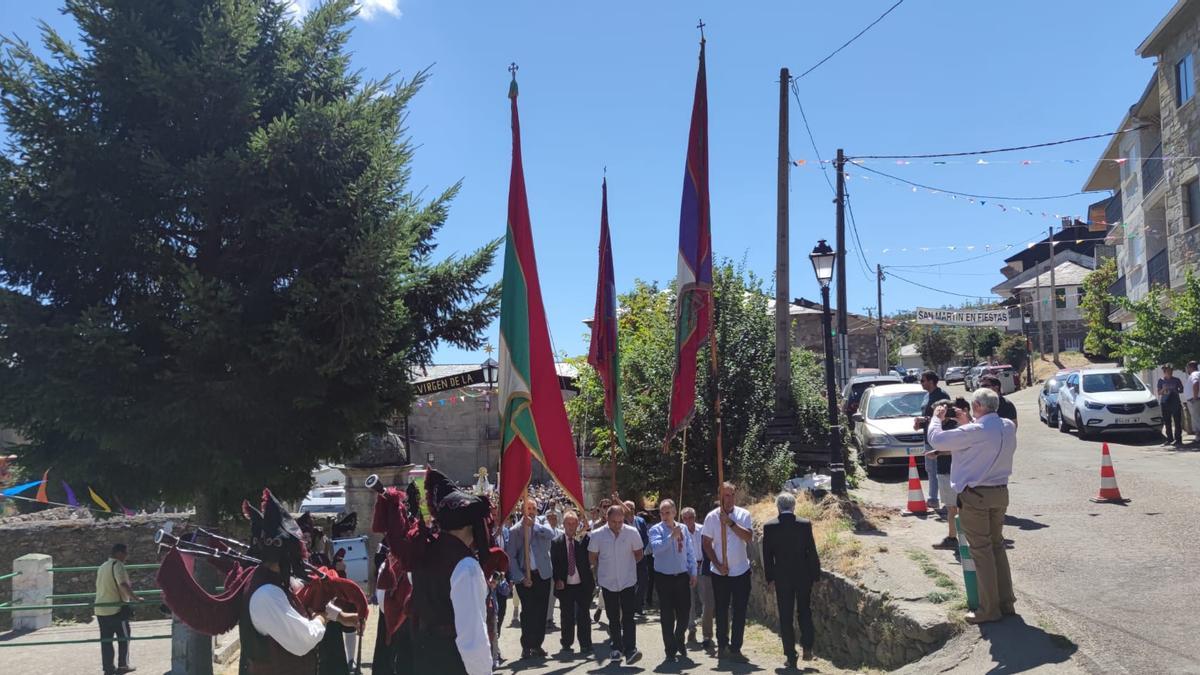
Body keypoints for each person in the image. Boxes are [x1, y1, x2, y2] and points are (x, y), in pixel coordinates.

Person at [242, 490, 359, 673]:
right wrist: (323, 618)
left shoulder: (277, 583)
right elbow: (304, 639)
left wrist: (340, 616)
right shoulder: (266, 594)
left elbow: (305, 601)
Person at [928, 388, 1018, 624]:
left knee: (981, 551)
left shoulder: (976, 430)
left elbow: (936, 439)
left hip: (976, 496)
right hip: (1000, 492)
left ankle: (989, 609)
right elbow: (979, 445)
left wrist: (937, 418)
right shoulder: (1007, 425)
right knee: (997, 546)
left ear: (977, 405)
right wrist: (966, 422)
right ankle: (1006, 602)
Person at [409, 485, 494, 675]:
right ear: (468, 526)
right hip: (452, 660)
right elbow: (471, 637)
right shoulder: (466, 566)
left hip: (424, 655)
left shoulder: (425, 550)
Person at [762, 492, 821, 668]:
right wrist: (815, 575)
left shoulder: (770, 527)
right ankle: (808, 646)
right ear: (794, 506)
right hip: (803, 576)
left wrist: (770, 578)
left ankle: (791, 656)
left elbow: (767, 555)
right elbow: (811, 551)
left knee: (786, 616)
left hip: (782, 577)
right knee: (804, 610)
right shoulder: (804, 525)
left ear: (778, 507)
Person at [701, 482, 754, 663]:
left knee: (740, 610)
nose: (729, 499)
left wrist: (730, 523)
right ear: (719, 497)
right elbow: (706, 543)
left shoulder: (743, 514)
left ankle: (736, 648)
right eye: (725, 495)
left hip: (741, 571)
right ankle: (722, 645)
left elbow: (748, 537)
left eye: (731, 495)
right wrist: (717, 563)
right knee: (721, 610)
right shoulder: (711, 517)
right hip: (720, 572)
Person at [588, 503, 645, 665]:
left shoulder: (632, 533)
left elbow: (639, 554)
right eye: (614, 522)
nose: (618, 525)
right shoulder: (598, 534)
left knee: (628, 616)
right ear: (607, 518)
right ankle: (616, 648)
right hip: (608, 582)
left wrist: (627, 567)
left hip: (628, 581)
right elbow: (592, 556)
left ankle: (631, 649)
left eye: (621, 521)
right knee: (613, 617)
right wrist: (599, 571)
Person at [504, 497, 554, 659]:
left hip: (542, 575)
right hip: (526, 578)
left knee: (541, 612)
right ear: (521, 511)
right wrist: (520, 577)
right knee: (528, 613)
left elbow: (551, 534)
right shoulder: (515, 531)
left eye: (533, 508)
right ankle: (526, 645)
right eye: (528, 508)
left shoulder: (542, 523)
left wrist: (535, 525)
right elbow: (511, 557)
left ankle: (537, 644)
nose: (531, 511)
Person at [648, 499, 696, 664]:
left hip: (682, 576)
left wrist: (693, 572)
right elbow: (656, 549)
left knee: (685, 611)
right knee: (667, 614)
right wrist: (671, 537)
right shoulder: (656, 529)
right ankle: (670, 650)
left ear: (675, 512)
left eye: (668, 512)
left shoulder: (682, 528)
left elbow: (690, 552)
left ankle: (679, 637)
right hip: (664, 578)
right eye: (662, 512)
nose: (665, 516)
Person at [550, 510, 594, 656]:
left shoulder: (582, 539)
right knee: (567, 616)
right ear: (563, 524)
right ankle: (567, 643)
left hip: (582, 585)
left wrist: (587, 527)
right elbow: (554, 564)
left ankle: (586, 644)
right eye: (568, 523)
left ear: (577, 524)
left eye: (574, 523)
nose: (571, 526)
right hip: (565, 585)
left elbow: (593, 541)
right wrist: (557, 580)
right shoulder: (556, 542)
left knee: (583, 615)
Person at [929, 397, 970, 550]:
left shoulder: (956, 426)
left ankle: (955, 538)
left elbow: (960, 447)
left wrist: (939, 452)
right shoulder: (941, 425)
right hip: (948, 471)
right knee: (953, 507)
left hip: (950, 471)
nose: (938, 415)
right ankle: (957, 537)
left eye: (939, 412)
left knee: (953, 508)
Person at [95, 543, 139, 675]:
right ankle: (123, 665)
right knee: (124, 637)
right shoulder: (118, 565)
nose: (126, 556)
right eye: (125, 553)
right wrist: (135, 597)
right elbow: (123, 584)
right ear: (119, 553)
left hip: (101, 609)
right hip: (116, 609)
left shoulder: (102, 566)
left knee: (106, 641)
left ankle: (108, 668)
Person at [914, 370, 951, 510]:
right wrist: (919, 423)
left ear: (931, 381)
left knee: (941, 470)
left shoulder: (942, 396)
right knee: (930, 469)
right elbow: (926, 415)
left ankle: (946, 501)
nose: (921, 383)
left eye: (923, 380)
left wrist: (925, 420)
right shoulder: (926, 396)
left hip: (939, 438)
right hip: (927, 437)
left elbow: (946, 417)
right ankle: (933, 498)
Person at [680, 507, 712, 648]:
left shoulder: (703, 529)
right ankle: (691, 629)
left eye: (690, 517)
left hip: (703, 568)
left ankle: (707, 634)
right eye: (685, 518)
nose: (688, 521)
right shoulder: (679, 532)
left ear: (695, 517)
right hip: (686, 570)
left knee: (708, 602)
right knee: (689, 602)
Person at [623, 499, 652, 614]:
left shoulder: (640, 521)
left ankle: (638, 604)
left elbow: (645, 537)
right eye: (627, 508)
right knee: (629, 582)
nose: (629, 511)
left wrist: (641, 549)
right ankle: (629, 606)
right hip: (626, 557)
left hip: (641, 556)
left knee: (644, 581)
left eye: (631, 508)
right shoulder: (620, 522)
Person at [1157, 363, 1185, 447]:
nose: (1170, 372)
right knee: (1167, 421)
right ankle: (1169, 439)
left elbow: (1181, 389)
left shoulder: (1176, 380)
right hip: (1165, 402)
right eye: (1167, 371)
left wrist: (1176, 390)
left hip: (1175, 401)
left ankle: (1178, 439)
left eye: (1171, 371)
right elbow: (1159, 392)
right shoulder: (1161, 380)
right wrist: (1163, 389)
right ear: (1164, 372)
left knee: (1177, 421)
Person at [543, 509, 562, 629]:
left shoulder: (561, 532)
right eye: (550, 518)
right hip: (546, 567)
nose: (552, 520)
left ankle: (549, 617)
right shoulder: (543, 532)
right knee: (547, 594)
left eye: (554, 518)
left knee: (553, 595)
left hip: (558, 567)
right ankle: (546, 617)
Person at [1185, 361, 1200, 444]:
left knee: (1196, 418)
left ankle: (1198, 437)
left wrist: (1195, 396)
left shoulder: (1194, 374)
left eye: (1188, 368)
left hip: (1195, 400)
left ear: (1190, 367)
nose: (1187, 369)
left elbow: (1195, 383)